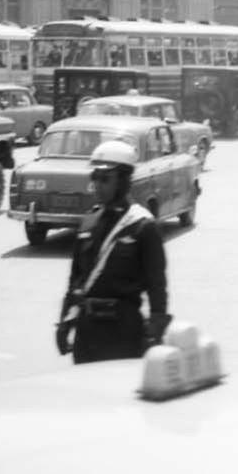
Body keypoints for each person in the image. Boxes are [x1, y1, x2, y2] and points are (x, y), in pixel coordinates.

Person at [56, 139, 169, 363]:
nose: (97, 184)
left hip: (124, 331)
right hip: (87, 332)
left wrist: (155, 333)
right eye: (94, 177)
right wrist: (64, 321)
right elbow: (76, 280)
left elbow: (157, 286)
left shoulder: (143, 226)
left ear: (124, 181)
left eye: (105, 178)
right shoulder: (89, 222)